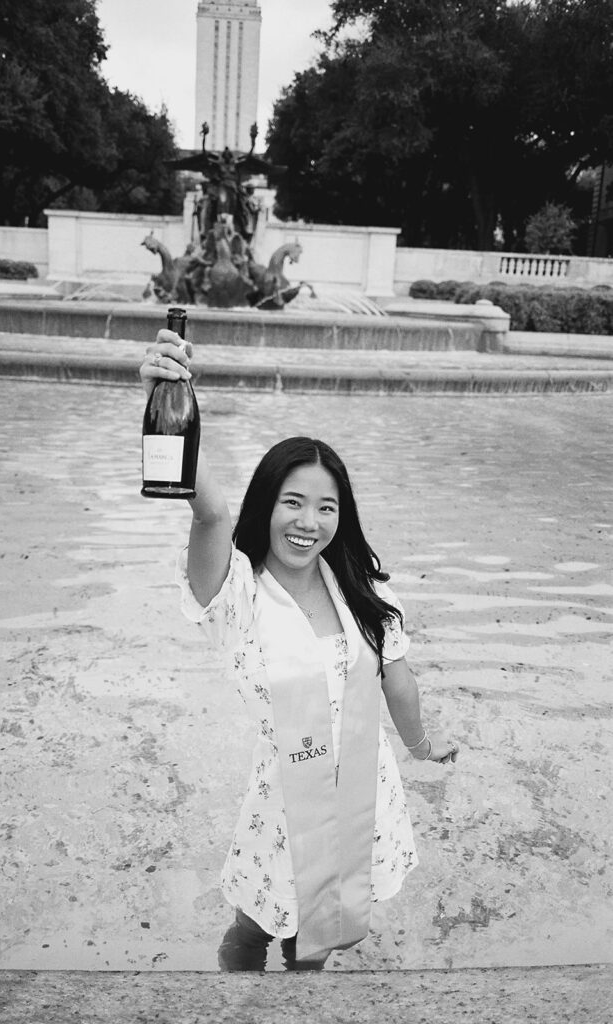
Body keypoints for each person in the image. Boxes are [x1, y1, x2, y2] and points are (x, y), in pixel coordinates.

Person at [139, 333, 460, 972]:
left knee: (325, 933)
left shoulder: (363, 588)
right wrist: (170, 412)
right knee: (256, 926)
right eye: (292, 502)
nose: (307, 522)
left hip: (363, 788)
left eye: (325, 507)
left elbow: (397, 678)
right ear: (266, 505)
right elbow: (210, 516)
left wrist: (421, 745)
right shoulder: (235, 593)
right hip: (286, 797)